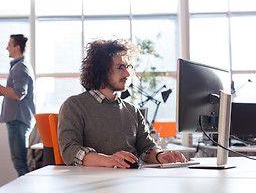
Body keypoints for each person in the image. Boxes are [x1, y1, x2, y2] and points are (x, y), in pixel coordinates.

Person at [58, 39, 187, 168]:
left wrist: (160, 156)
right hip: (93, 183)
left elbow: (147, 148)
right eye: (120, 67)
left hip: (131, 181)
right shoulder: (74, 106)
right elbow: (70, 150)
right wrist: (109, 160)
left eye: (128, 67)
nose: (127, 74)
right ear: (101, 70)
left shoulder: (132, 111)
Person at [0, 34, 35, 176]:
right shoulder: (19, 66)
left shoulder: (20, 67)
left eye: (9, 45)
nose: (6, 48)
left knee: (19, 161)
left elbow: (18, 94)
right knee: (19, 161)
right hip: (18, 118)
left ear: (17, 47)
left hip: (18, 119)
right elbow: (16, 92)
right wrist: (2, 92)